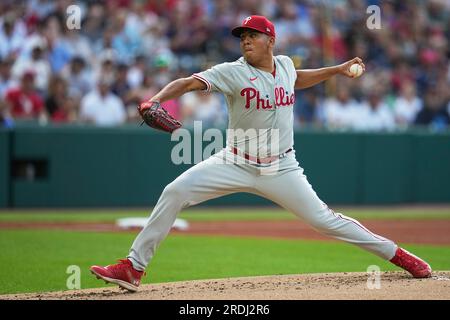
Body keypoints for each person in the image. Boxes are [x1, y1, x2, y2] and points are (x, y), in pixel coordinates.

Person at [90, 15, 432, 292]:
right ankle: (133, 267)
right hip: (234, 161)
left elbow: (297, 78)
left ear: (271, 40)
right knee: (174, 191)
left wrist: (336, 69)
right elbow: (188, 82)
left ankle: (399, 255)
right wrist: (156, 99)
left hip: (282, 167)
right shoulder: (231, 71)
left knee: (325, 222)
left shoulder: (283, 65)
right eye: (242, 36)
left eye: (253, 35)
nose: (246, 41)